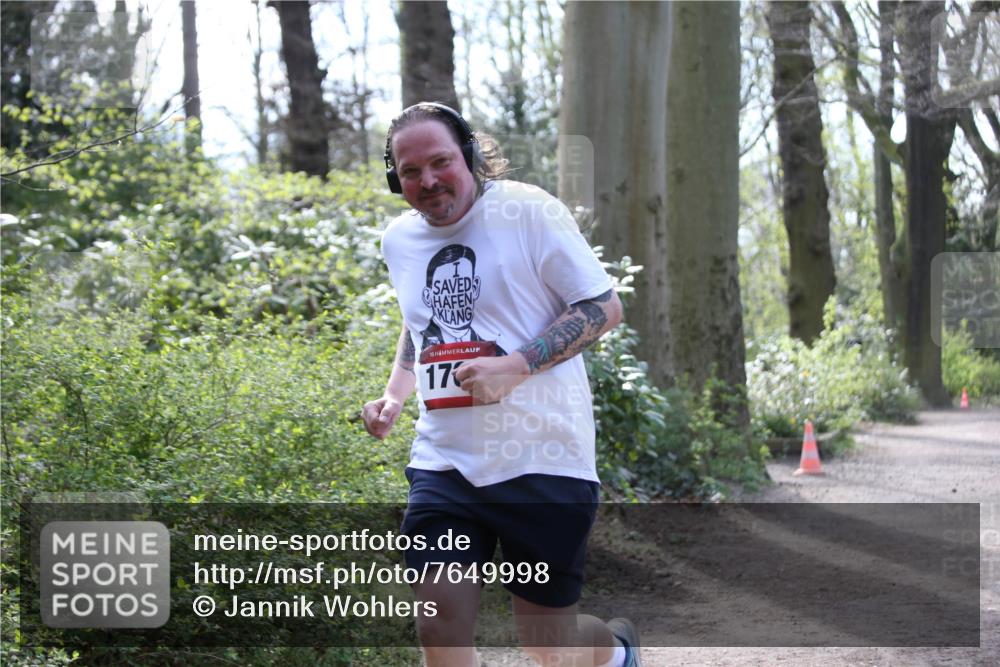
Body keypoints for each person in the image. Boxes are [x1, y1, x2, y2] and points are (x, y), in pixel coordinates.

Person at [362, 102, 642, 667]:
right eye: (410, 171)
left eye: (440, 162)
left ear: (468, 154)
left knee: (548, 646)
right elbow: (419, 322)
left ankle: (616, 655)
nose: (428, 181)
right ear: (395, 179)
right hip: (446, 464)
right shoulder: (399, 240)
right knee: (439, 625)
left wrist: (516, 366)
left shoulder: (527, 211)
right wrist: (395, 393)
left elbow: (602, 306)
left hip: (543, 458)